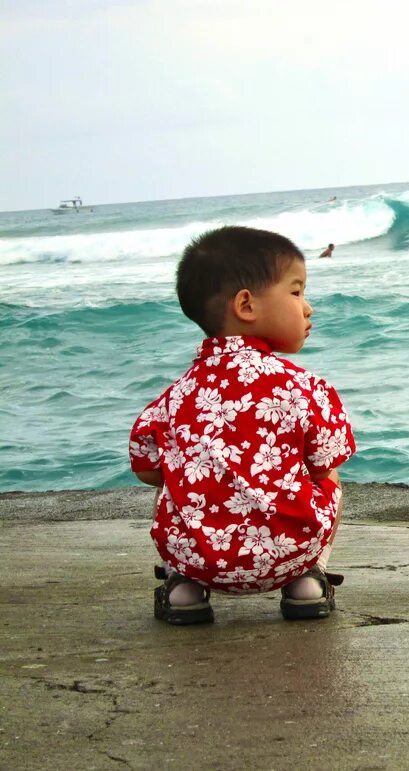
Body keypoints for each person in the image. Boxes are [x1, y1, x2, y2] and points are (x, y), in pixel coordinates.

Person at [129, 225, 356, 625]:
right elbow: (324, 463)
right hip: (287, 556)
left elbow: (147, 470)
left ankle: (185, 589)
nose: (308, 307)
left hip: (201, 560)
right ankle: (307, 581)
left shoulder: (172, 397)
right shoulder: (305, 387)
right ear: (246, 306)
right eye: (297, 291)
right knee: (330, 478)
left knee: (172, 476)